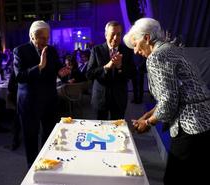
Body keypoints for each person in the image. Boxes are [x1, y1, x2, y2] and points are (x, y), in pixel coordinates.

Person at [123, 18, 210, 184]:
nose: (135, 51)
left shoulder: (156, 57)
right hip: (205, 121)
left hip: (189, 127)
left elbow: (169, 101)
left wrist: (148, 123)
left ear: (147, 38)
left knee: (174, 179)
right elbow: (171, 95)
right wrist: (147, 114)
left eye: (135, 44)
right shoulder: (172, 49)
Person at [13, 20, 66, 168]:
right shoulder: (20, 51)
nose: (45, 41)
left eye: (47, 38)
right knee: (31, 136)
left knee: (49, 135)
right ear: (32, 36)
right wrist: (40, 66)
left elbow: (59, 70)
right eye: (42, 38)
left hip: (49, 100)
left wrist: (63, 73)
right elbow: (20, 77)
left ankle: (46, 162)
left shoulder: (52, 50)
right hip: (29, 102)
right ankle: (32, 167)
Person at [86, 20, 135, 120]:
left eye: (118, 34)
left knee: (118, 130)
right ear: (106, 35)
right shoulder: (96, 50)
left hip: (119, 99)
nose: (116, 38)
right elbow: (89, 74)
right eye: (112, 34)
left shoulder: (127, 51)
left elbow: (133, 74)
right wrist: (106, 67)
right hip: (100, 98)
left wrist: (120, 66)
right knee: (99, 131)